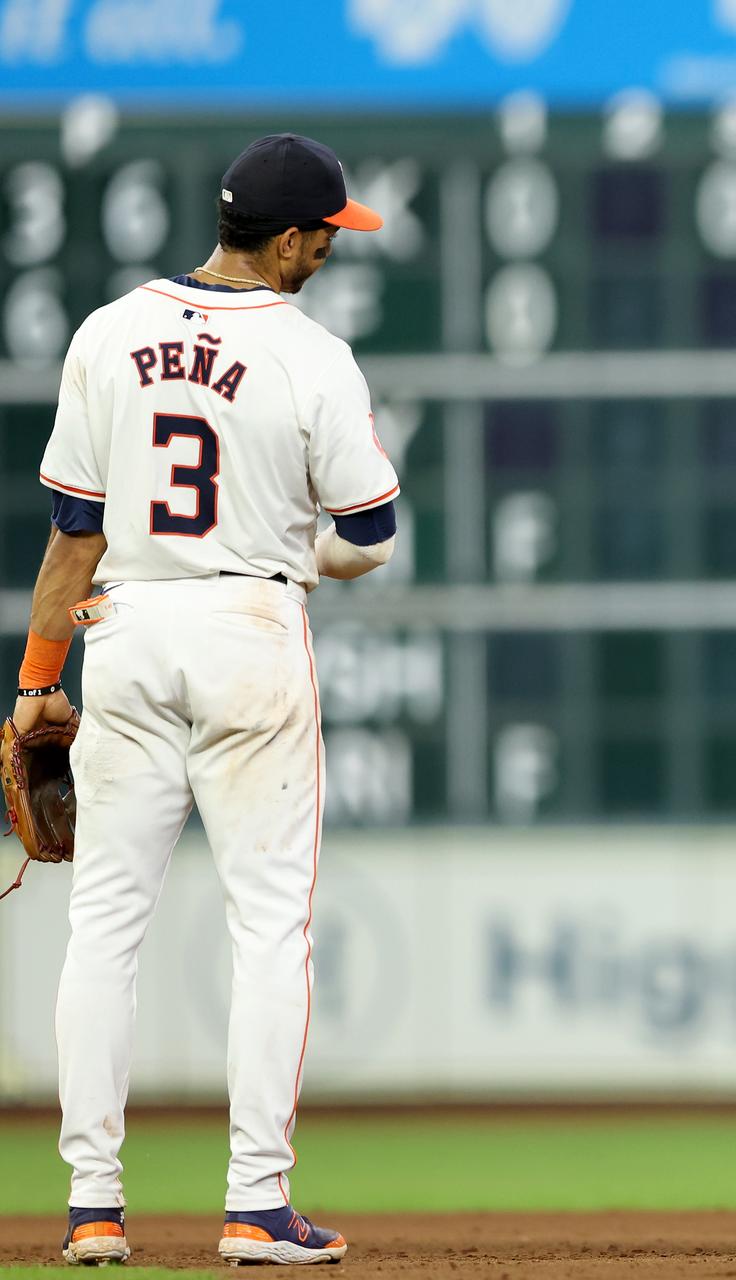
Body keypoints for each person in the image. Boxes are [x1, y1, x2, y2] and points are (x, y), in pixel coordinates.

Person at [17, 133, 398, 1267]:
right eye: (326, 232)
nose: (332, 246)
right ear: (287, 238)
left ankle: (92, 1208)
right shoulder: (312, 354)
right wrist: (300, 557)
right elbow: (370, 533)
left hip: (124, 630)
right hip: (247, 630)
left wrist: (38, 681)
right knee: (269, 927)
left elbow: (72, 537)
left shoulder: (107, 331)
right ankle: (254, 1203)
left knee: (102, 930)